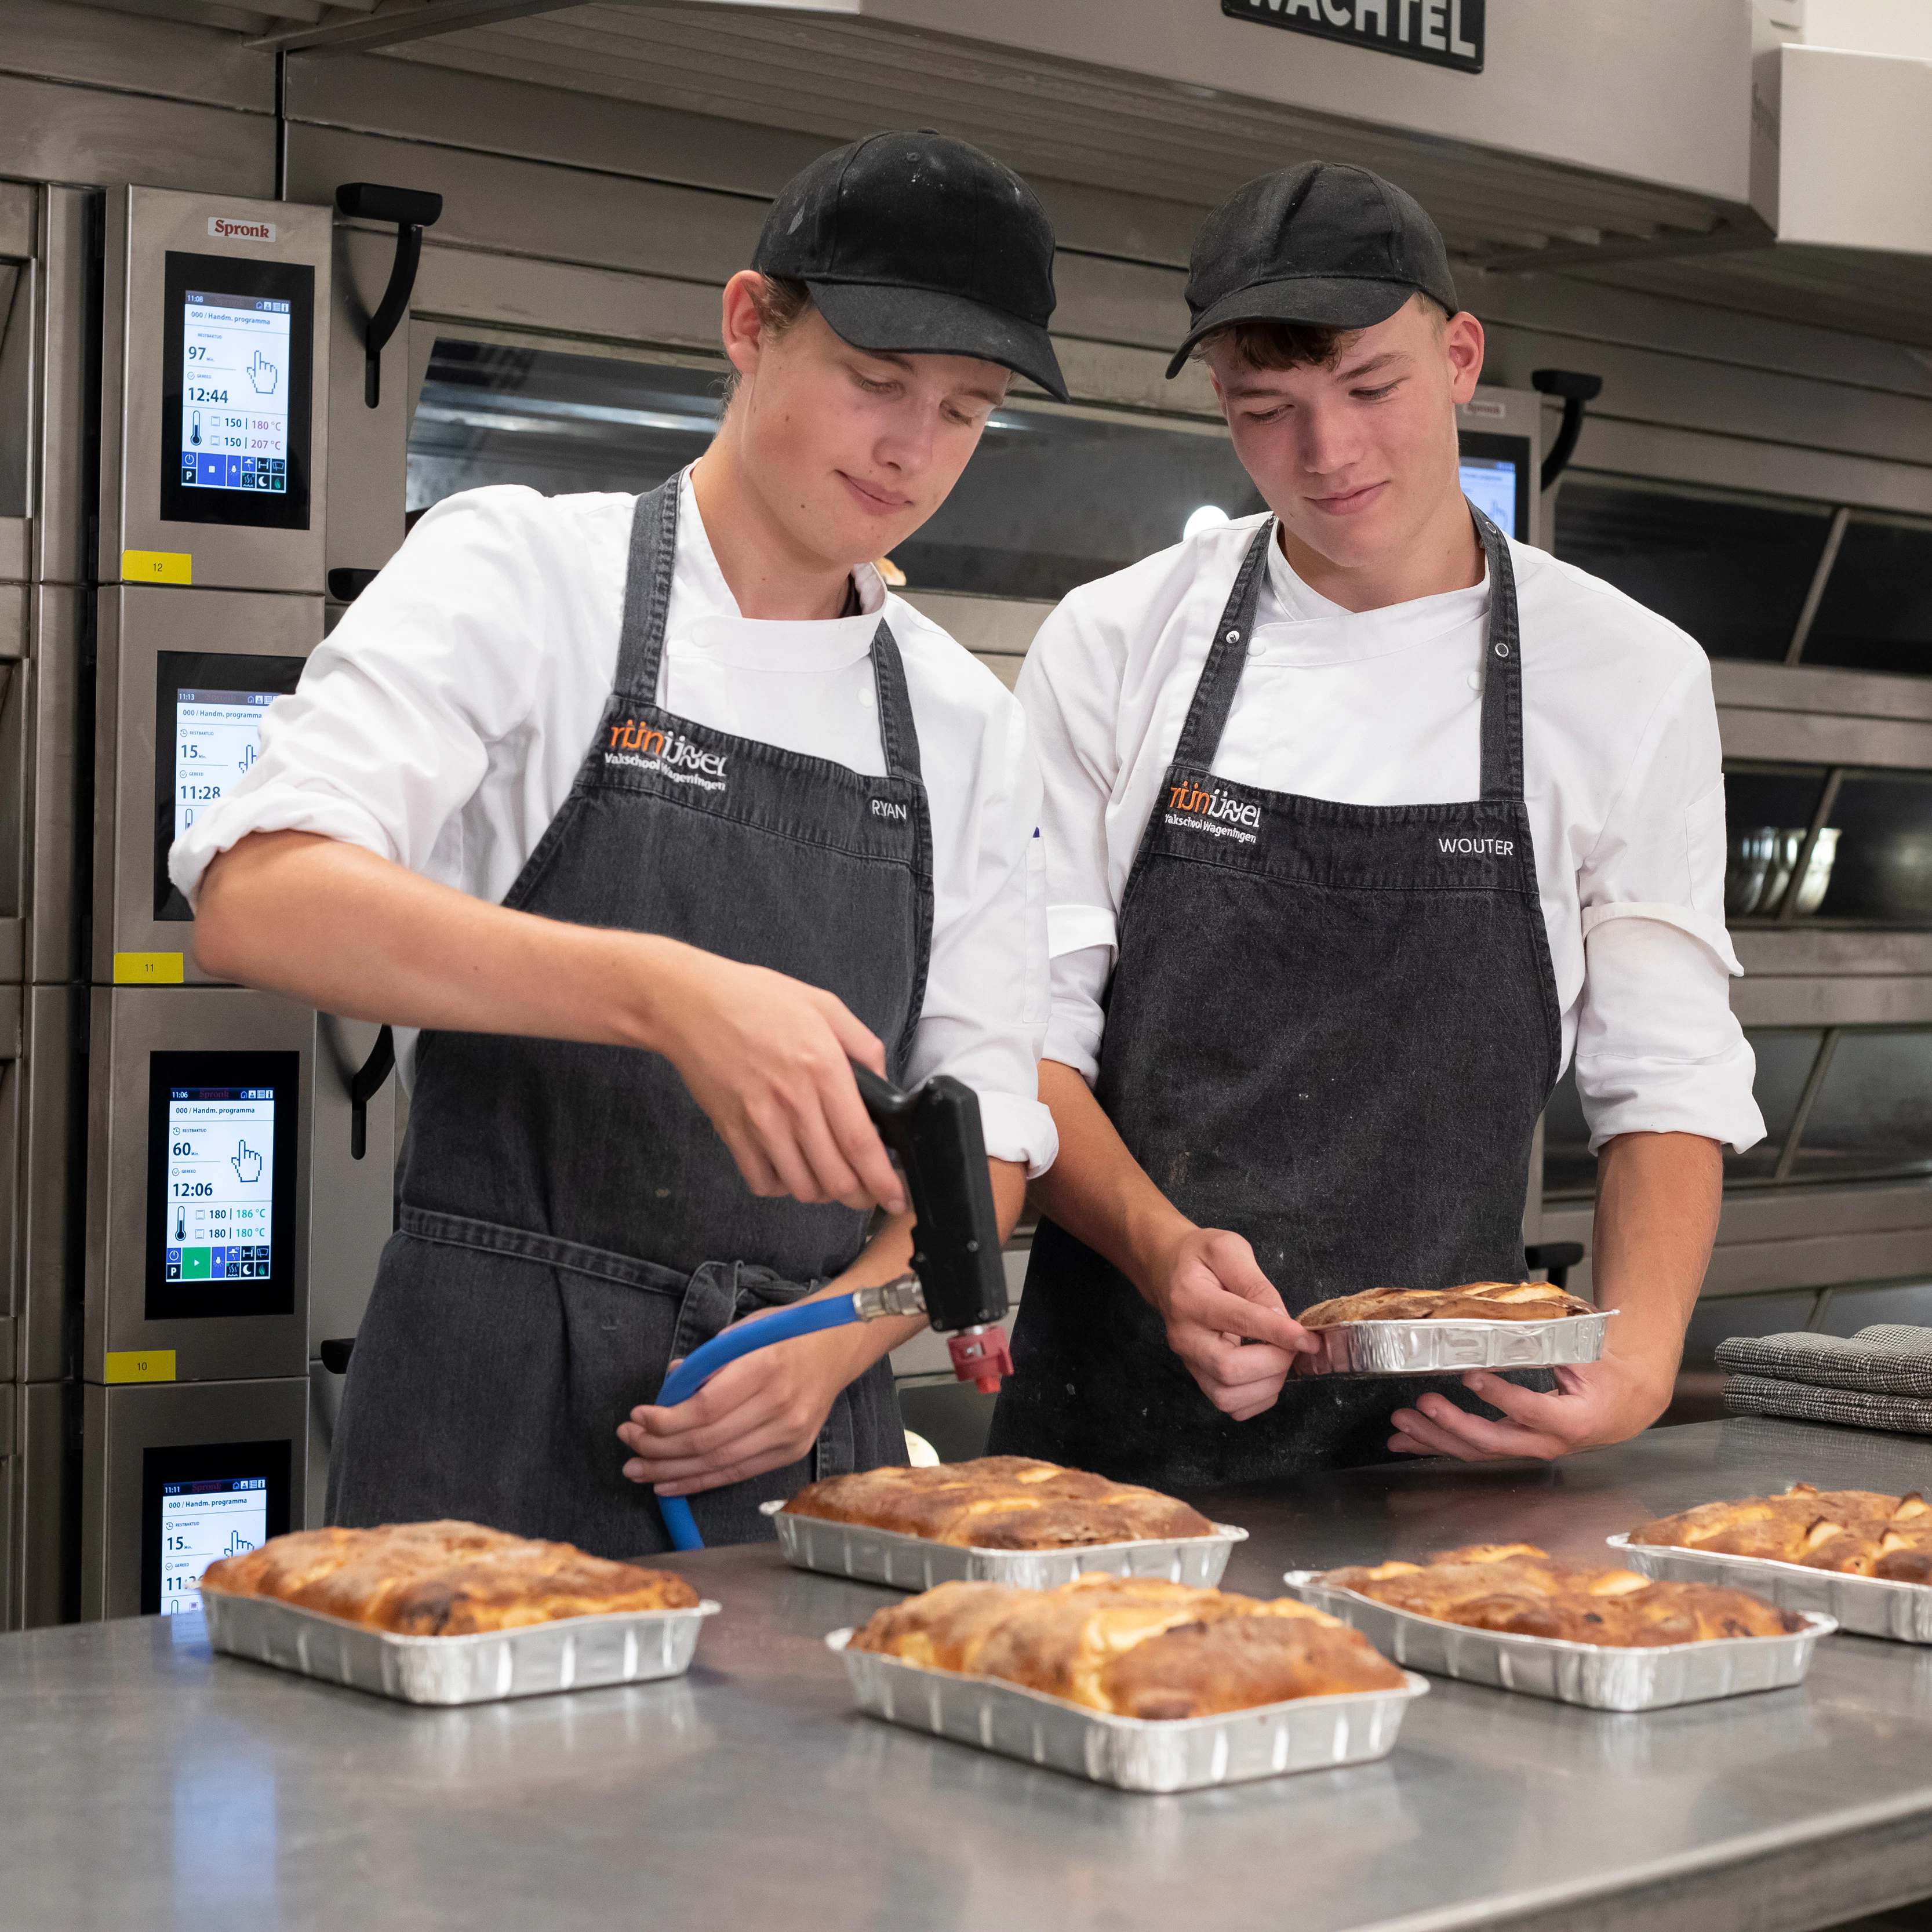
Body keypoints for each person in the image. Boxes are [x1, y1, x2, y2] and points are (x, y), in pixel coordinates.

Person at [176, 131, 1064, 1554]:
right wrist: (668, 995)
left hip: (796, 1436)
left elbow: (986, 1150)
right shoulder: (526, 573)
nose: (913, 447)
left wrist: (847, 1334)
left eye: (966, 410)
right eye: (877, 381)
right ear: (747, 325)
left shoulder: (962, 721)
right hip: (485, 1404)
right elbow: (258, 898)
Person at [987, 162, 1763, 1485]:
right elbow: (1026, 1047)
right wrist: (1167, 1253)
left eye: (1368, 388)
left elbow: (1666, 1069)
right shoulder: (1116, 641)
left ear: (1459, 355)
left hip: (1449, 1446)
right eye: (1265, 409)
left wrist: (1635, 1365)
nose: (1327, 453)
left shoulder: (1626, 671)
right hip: (1105, 1447)